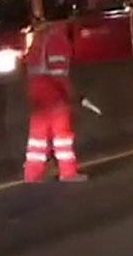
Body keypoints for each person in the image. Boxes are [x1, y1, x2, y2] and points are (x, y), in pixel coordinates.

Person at [23, 20, 87, 183]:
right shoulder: (58, 40)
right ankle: (68, 172)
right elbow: (59, 73)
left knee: (37, 137)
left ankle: (32, 175)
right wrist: (72, 94)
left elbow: (27, 65)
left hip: (36, 93)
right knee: (62, 135)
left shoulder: (39, 38)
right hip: (53, 94)